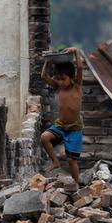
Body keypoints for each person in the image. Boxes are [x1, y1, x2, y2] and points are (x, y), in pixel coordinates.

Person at [40, 47, 83, 183]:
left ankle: (76, 184)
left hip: (74, 129)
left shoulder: (76, 86)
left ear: (71, 78)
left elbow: (80, 68)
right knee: (44, 137)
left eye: (63, 79)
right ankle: (55, 161)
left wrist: (76, 52)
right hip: (60, 126)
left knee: (71, 160)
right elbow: (43, 77)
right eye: (57, 79)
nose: (60, 81)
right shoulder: (57, 87)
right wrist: (48, 61)